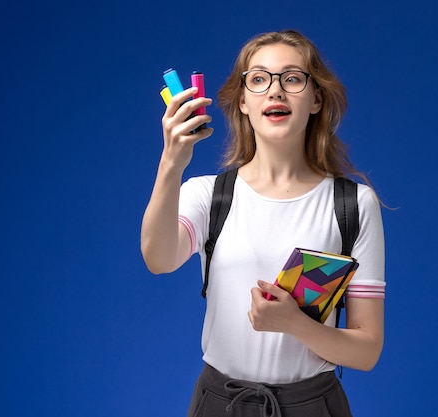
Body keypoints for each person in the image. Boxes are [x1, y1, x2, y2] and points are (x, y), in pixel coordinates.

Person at [141, 30, 385, 417]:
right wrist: (172, 161)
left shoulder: (353, 204)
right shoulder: (208, 195)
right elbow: (157, 259)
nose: (275, 91)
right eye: (258, 79)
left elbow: (367, 350)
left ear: (316, 98)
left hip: (314, 406)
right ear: (242, 101)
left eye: (292, 78)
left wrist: (293, 323)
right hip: (220, 405)